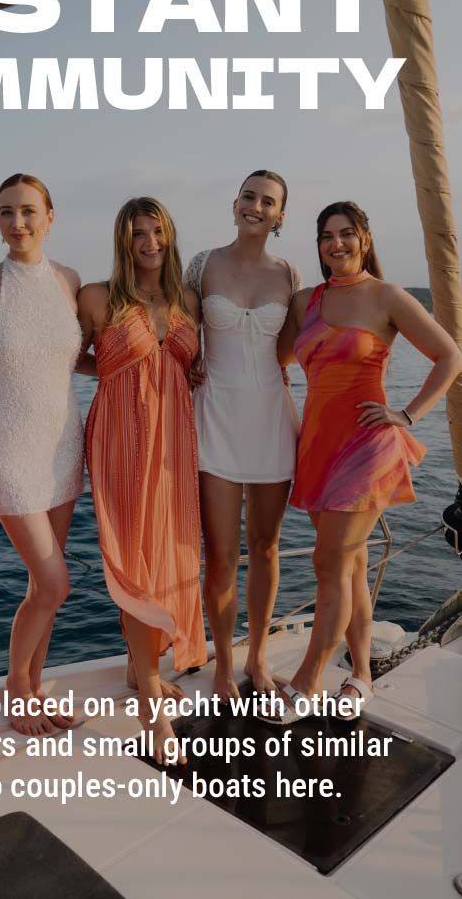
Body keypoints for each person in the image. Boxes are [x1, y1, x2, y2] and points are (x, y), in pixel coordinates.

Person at [268, 201, 462, 723]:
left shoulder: (388, 296)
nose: (338, 244)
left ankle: (307, 682)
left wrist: (408, 413)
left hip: (368, 447)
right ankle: (361, 677)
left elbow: (449, 355)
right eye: (327, 235)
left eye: (347, 234)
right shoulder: (305, 301)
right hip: (317, 447)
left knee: (328, 563)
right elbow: (277, 358)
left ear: (366, 238)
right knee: (349, 568)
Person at [79, 197, 207, 766]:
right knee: (132, 557)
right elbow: (65, 355)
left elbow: (194, 366)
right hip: (121, 438)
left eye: (157, 231)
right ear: (122, 239)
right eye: (138, 233)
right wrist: (111, 367)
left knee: (167, 554)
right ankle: (153, 709)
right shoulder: (98, 298)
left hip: (176, 441)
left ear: (170, 234)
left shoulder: (187, 300)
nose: (149, 242)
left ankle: (140, 668)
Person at [0, 173, 84, 737]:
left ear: (50, 215)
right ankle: (17, 688)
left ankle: (36, 686)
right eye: (6, 212)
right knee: (56, 581)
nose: (18, 223)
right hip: (6, 442)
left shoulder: (69, 281)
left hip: (62, 440)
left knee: (45, 585)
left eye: (29, 211)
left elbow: (69, 355)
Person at [184, 171, 300, 701]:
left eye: (268, 201)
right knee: (223, 555)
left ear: (280, 216)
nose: (256, 206)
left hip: (271, 417)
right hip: (216, 417)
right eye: (249, 197)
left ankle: (258, 657)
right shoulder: (203, 265)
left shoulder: (289, 274)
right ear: (235, 204)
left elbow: (290, 350)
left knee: (267, 546)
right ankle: (224, 664)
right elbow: (182, 339)